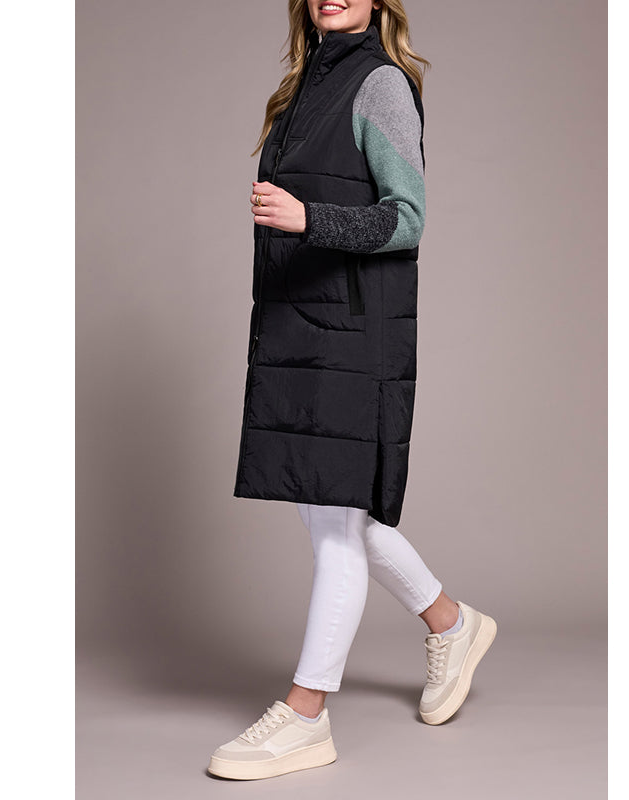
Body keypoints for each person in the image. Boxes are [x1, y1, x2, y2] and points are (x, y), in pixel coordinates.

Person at [208, 0, 496, 781]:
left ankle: (305, 715)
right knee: (334, 512)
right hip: (302, 327)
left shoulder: (381, 84)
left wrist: (308, 217)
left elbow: (408, 219)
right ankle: (452, 624)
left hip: (352, 335)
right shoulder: (303, 86)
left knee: (335, 527)